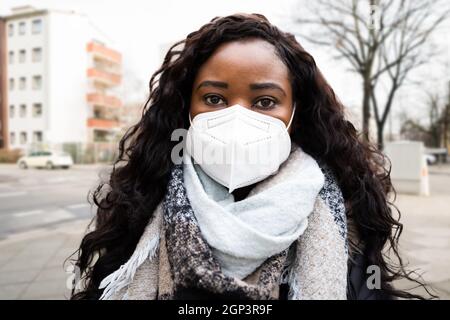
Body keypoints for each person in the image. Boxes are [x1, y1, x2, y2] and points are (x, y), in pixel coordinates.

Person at [70, 13, 429, 300]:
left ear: (295, 112)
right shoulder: (142, 202)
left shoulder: (343, 217)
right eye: (214, 98)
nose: (239, 116)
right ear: (186, 107)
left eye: (265, 101)